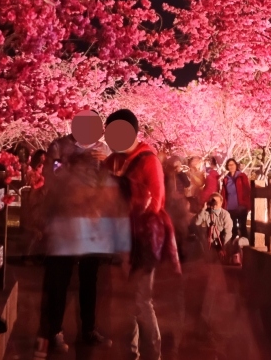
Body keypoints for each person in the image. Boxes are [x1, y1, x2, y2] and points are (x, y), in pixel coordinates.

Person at [33, 125, 129, 359]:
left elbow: (109, 178)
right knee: (59, 280)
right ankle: (54, 331)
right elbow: (50, 172)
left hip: (93, 221)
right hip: (64, 219)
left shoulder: (102, 148)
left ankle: (88, 329)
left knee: (90, 280)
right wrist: (74, 162)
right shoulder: (59, 146)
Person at [105, 109, 179, 360]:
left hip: (143, 239)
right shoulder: (114, 160)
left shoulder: (149, 161)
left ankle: (153, 354)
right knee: (126, 301)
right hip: (121, 238)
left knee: (140, 300)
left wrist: (120, 187)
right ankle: (130, 353)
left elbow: (156, 202)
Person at [220, 158, 252, 239]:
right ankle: (233, 248)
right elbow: (224, 193)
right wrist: (223, 206)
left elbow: (247, 190)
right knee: (232, 229)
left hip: (241, 206)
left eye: (232, 164)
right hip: (230, 207)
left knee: (242, 228)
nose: (231, 166)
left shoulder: (242, 176)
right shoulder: (226, 179)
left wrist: (246, 205)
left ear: (236, 165)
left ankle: (245, 247)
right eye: (229, 165)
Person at [194, 193, 233, 257]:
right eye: (213, 201)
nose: (215, 204)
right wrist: (203, 209)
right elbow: (197, 222)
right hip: (209, 242)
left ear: (221, 203)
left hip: (221, 242)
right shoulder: (206, 212)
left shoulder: (225, 215)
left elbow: (228, 233)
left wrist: (224, 248)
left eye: (216, 202)